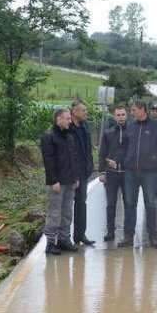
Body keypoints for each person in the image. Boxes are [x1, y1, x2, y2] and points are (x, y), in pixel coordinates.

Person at [120, 100, 157, 247]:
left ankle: (153, 236)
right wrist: (123, 161)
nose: (131, 113)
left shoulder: (156, 126)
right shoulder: (131, 126)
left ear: (142, 109)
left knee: (150, 204)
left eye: (133, 110)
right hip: (131, 171)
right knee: (130, 203)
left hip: (150, 172)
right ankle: (128, 236)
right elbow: (125, 146)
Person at [39, 107, 82, 255]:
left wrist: (76, 177)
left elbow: (74, 159)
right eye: (67, 118)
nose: (70, 121)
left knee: (67, 212)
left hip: (69, 181)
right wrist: (53, 181)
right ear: (59, 120)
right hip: (57, 183)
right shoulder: (49, 137)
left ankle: (64, 240)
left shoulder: (69, 137)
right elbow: (48, 161)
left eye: (70, 118)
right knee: (54, 213)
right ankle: (50, 243)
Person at [97, 104, 128, 242]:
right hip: (111, 173)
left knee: (129, 203)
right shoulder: (108, 133)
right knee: (111, 204)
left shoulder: (132, 131)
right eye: (118, 115)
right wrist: (102, 172)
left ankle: (128, 232)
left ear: (126, 116)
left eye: (123, 114)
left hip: (128, 174)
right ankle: (110, 231)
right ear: (114, 117)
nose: (121, 117)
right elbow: (102, 153)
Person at [69, 100, 95, 246]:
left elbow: (88, 149)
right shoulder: (69, 128)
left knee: (81, 203)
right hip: (71, 173)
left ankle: (80, 235)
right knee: (66, 206)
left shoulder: (84, 126)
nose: (86, 113)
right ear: (74, 112)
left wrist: (90, 165)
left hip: (84, 172)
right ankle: (63, 238)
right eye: (83, 110)